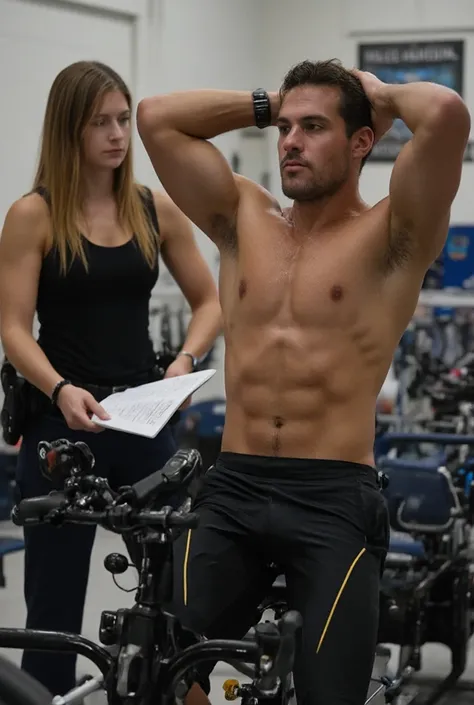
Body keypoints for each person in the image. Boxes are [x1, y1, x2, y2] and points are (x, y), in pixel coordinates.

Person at [136, 59, 470, 704]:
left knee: (330, 693)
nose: (290, 140)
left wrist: (378, 94)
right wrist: (271, 102)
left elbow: (447, 115)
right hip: (232, 484)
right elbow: (157, 119)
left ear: (361, 142)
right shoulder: (241, 214)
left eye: (313, 127)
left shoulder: (395, 233)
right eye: (284, 128)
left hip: (332, 496)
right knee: (163, 669)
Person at [0, 60, 221, 697]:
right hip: (60, 431)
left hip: (142, 422)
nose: (118, 134)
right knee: (52, 614)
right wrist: (61, 388)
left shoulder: (155, 210)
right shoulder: (33, 215)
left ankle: (174, 689)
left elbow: (211, 302)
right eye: (101, 122)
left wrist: (182, 362)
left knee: (180, 589)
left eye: (123, 119)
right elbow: (14, 329)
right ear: (69, 130)